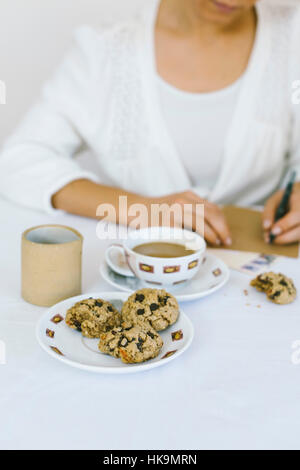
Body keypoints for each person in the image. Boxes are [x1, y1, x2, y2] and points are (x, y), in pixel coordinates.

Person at [0, 0, 300, 246]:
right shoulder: (103, 50)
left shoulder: (293, 34)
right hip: (139, 274)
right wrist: (142, 208)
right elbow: (19, 160)